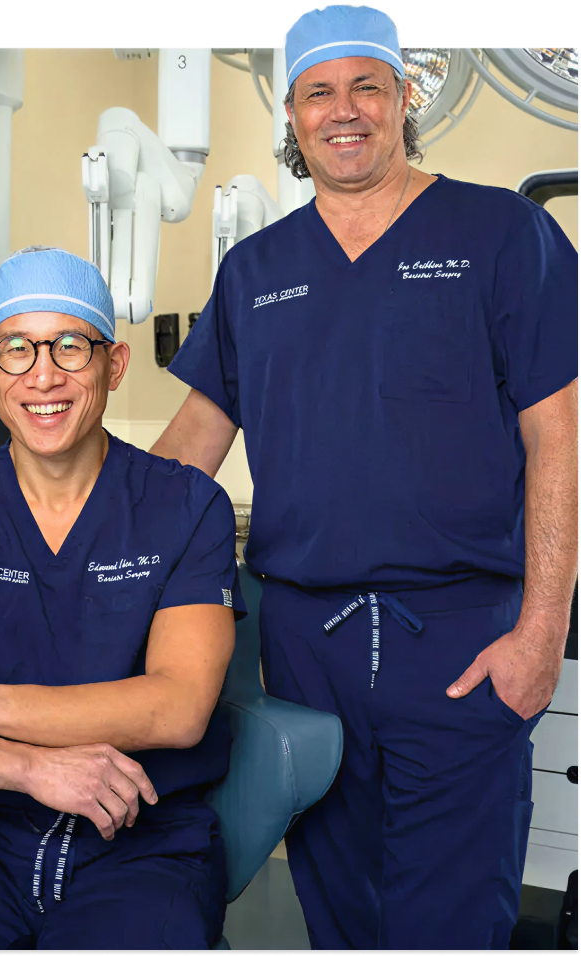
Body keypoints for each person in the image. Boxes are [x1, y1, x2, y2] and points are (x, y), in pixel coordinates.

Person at [151, 6, 578, 951]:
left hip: (463, 638)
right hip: (307, 645)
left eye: (365, 86)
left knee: (453, 921)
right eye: (317, 92)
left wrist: (540, 633)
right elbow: (189, 449)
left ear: (403, 96)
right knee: (339, 913)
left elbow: (558, 441)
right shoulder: (255, 271)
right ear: (293, 116)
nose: (342, 111)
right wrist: (60, 529)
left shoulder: (504, 235)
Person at [0, 246, 244, 952]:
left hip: (145, 842)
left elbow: (178, 709)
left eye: (70, 346)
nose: (43, 374)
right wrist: (24, 767)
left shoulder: (185, 505)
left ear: (114, 365)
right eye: (16, 350)